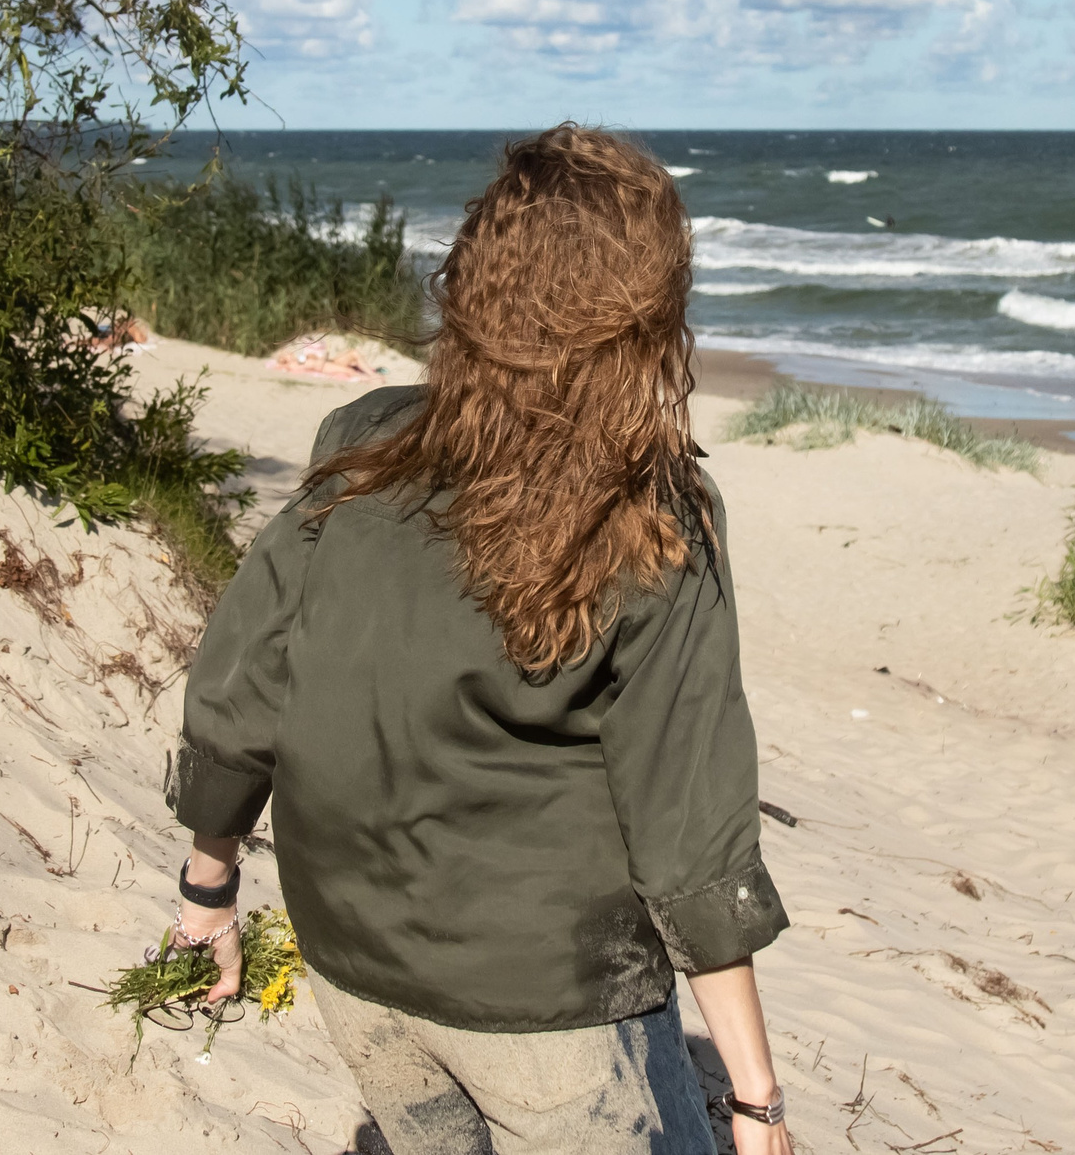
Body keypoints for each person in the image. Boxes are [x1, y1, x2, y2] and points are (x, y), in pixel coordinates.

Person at [164, 125, 793, 1155]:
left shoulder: (361, 443)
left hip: (352, 954)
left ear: (476, 278)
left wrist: (207, 893)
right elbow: (689, 828)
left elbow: (241, 689)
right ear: (645, 313)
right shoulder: (657, 514)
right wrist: (758, 1099)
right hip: (549, 997)